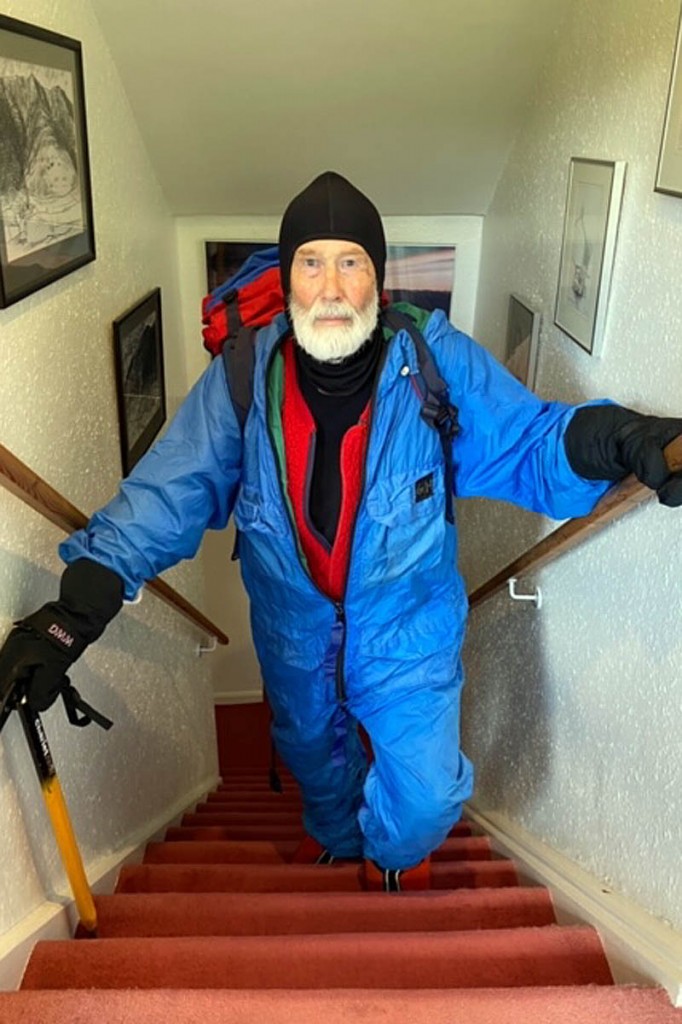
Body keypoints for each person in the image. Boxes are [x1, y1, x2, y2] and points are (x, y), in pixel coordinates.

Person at [1, 171, 681, 891]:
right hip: (293, 639)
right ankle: (335, 836)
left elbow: (528, 444)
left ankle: (388, 852)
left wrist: (619, 438)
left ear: (377, 280)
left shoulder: (432, 362)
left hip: (408, 635)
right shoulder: (241, 377)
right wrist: (68, 620)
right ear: (289, 277)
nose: (331, 287)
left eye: (351, 262)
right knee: (317, 767)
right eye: (311, 262)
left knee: (425, 799)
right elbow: (166, 494)